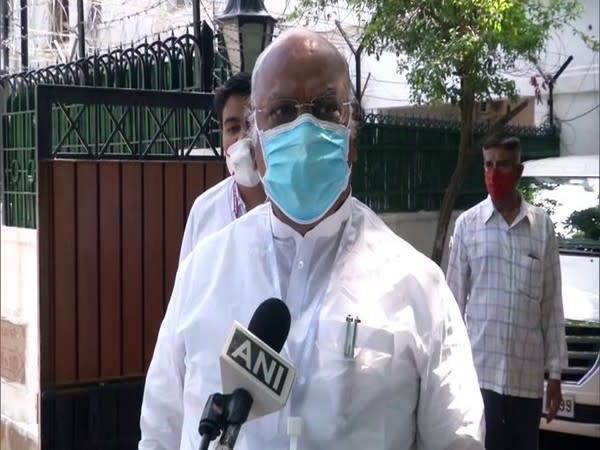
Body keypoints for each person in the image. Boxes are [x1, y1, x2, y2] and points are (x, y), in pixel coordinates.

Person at [139, 28, 484, 450]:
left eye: (324, 108)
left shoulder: (418, 287)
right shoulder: (204, 273)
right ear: (256, 144)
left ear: (352, 137)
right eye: (282, 111)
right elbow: (158, 431)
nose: (304, 129)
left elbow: (458, 440)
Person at [446, 135, 567, 450]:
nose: (494, 173)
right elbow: (452, 306)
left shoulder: (542, 228)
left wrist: (555, 373)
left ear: (519, 171)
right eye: (488, 165)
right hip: (479, 375)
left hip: (525, 379)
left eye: (502, 165)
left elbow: (552, 305)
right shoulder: (467, 226)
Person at [178, 72, 266, 263]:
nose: (243, 137)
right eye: (233, 128)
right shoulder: (204, 211)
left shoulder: (293, 208)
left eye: (252, 125)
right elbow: (188, 290)